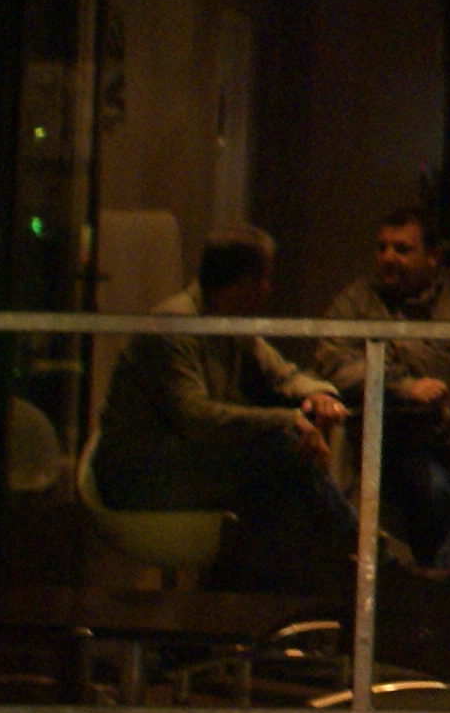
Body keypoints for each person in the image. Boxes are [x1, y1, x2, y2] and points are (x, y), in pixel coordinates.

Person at [99, 227, 362, 596]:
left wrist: (318, 395)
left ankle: (271, 597)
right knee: (281, 454)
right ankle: (359, 553)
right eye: (265, 279)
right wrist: (289, 420)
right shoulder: (175, 325)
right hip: (141, 472)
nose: (268, 289)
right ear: (243, 284)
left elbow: (284, 375)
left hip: (186, 462)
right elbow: (195, 417)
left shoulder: (227, 321)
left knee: (281, 493)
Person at [312, 208, 450, 580]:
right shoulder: (359, 300)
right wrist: (403, 387)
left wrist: (448, 420)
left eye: (402, 249)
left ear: (433, 255)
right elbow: (334, 361)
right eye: (382, 247)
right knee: (432, 484)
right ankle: (434, 575)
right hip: (398, 436)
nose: (387, 258)